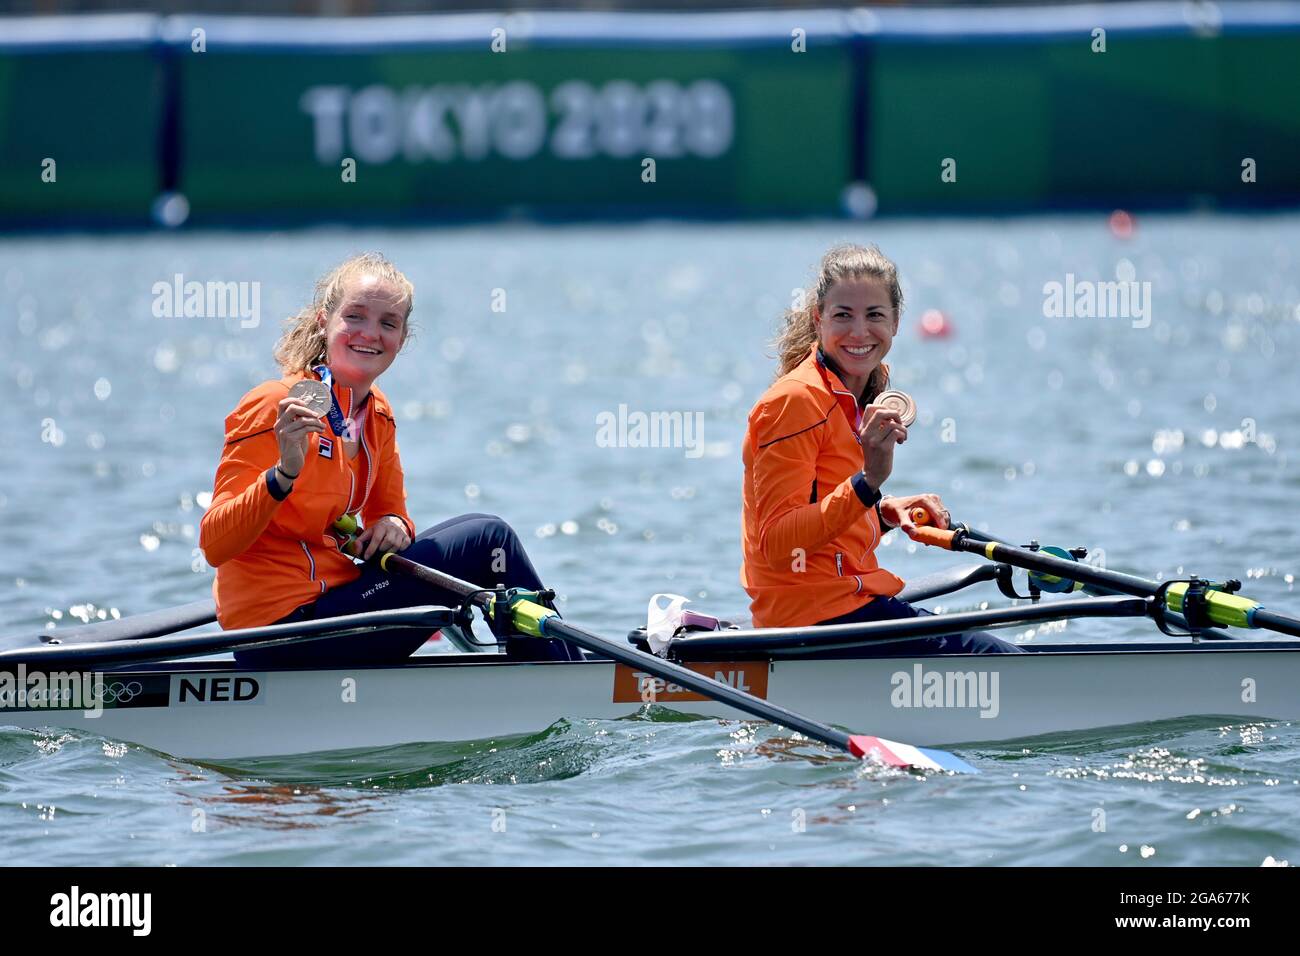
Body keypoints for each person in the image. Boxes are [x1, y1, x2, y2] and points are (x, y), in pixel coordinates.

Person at [198, 253, 579, 665]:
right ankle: (565, 675)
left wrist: (395, 524)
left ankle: (548, 671)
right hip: (283, 632)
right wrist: (282, 475)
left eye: (388, 323)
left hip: (334, 604)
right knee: (488, 541)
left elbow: (390, 516)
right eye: (355, 317)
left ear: (402, 338)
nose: (370, 334)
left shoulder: (376, 414)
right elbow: (215, 545)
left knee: (482, 539)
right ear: (325, 320)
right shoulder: (277, 403)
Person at [740, 243, 1021, 654]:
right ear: (819, 319)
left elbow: (827, 509)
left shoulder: (857, 390)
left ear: (896, 322)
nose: (859, 332)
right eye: (843, 316)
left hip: (846, 602)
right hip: (812, 620)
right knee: (998, 662)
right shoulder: (795, 401)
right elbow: (780, 545)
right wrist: (868, 482)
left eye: (874, 315)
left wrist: (883, 512)